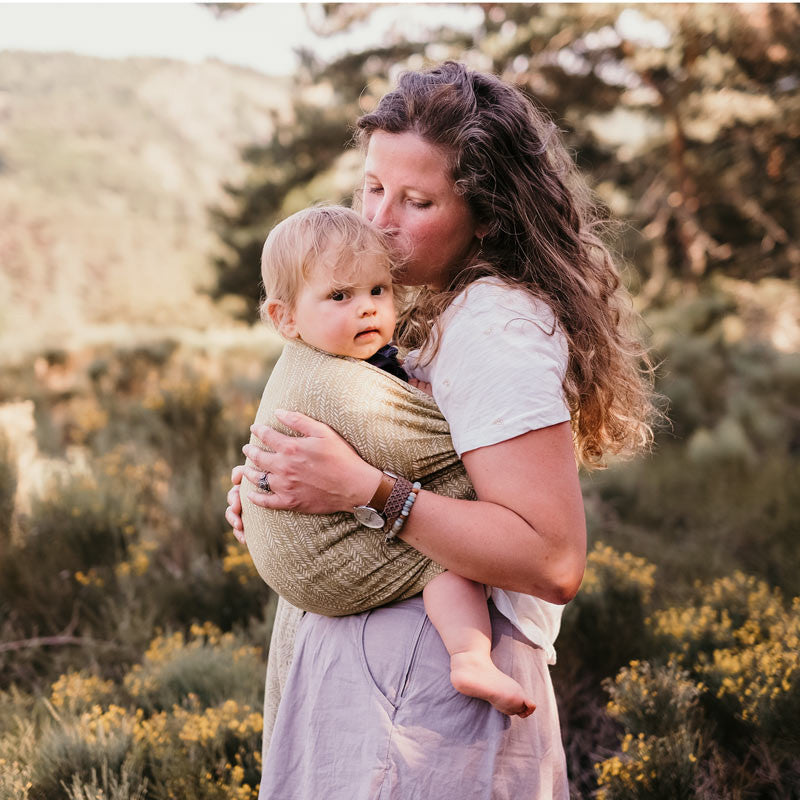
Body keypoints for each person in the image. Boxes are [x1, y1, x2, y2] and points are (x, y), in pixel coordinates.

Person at [227, 61, 657, 799]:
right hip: (389, 678)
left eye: (416, 200)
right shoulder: (425, 306)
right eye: (372, 187)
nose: (378, 221)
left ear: (486, 213)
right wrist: (288, 490)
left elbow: (551, 559)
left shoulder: (496, 326)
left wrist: (368, 491)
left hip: (421, 704)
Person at [247, 203, 535, 718]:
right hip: (326, 569)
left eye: (378, 290)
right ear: (284, 317)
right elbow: (443, 448)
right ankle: (470, 655)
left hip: (304, 576)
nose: (367, 308)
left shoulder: (338, 355)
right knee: (446, 552)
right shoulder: (331, 382)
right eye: (340, 296)